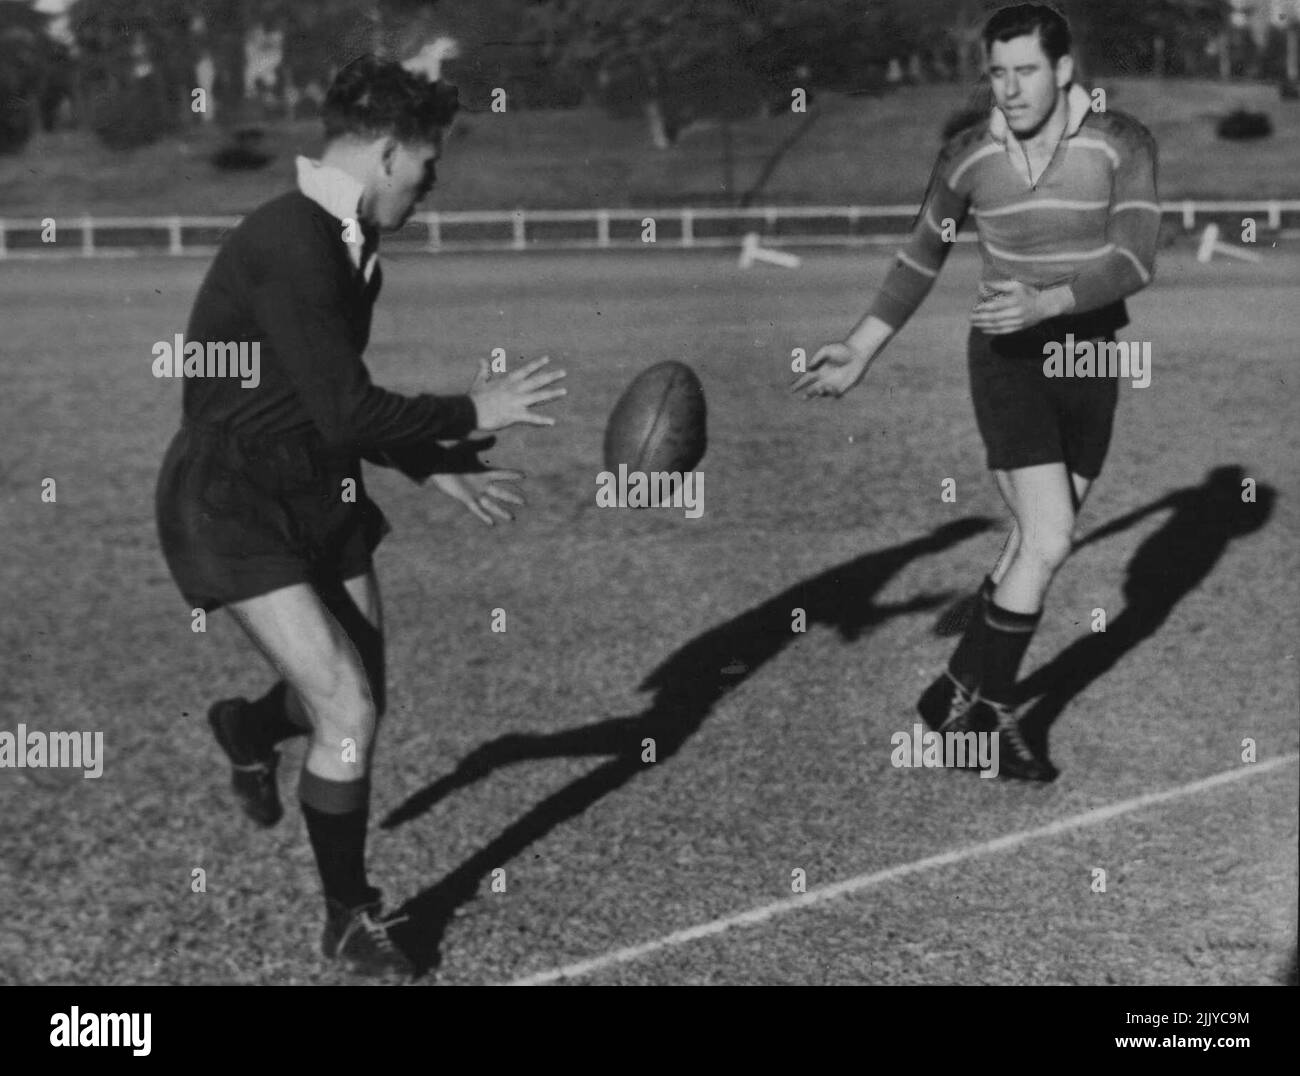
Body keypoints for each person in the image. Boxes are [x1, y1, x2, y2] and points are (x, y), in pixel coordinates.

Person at [155, 55, 566, 975]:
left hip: (316, 486)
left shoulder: (348, 244)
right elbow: (344, 407)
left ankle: (252, 729)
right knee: (348, 709)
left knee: (351, 692)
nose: (431, 188)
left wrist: (429, 465)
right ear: (385, 153)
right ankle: (349, 917)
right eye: (426, 168)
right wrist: (470, 413)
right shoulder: (293, 243)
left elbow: (327, 403)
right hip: (235, 500)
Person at [794, 3, 1160, 780]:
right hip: (1008, 358)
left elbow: (1134, 260)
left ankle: (950, 692)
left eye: (1027, 69)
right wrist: (861, 347)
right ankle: (989, 721)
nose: (1011, 87)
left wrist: (1052, 302)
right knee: (1052, 537)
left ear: (1064, 71)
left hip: (1090, 360)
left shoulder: (1120, 142)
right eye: (998, 72)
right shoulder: (968, 156)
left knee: (1034, 543)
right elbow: (921, 256)